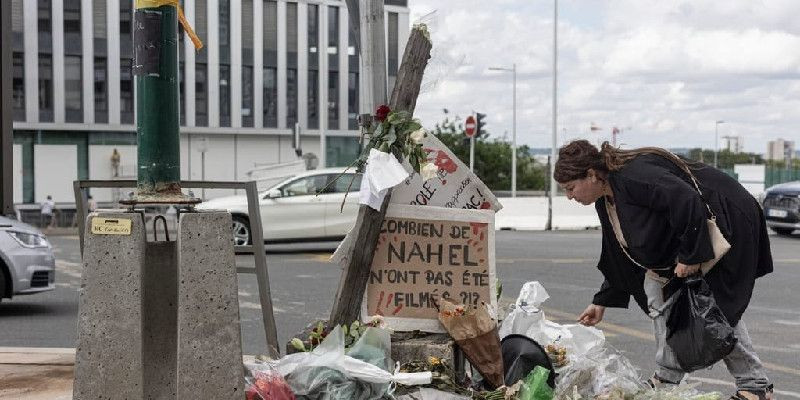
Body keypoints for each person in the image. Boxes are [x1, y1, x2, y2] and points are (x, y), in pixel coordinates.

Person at [554, 140, 774, 399]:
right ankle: (667, 377)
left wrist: (692, 254)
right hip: (693, 234)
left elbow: (685, 198)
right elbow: (620, 253)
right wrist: (601, 300)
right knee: (655, 286)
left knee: (713, 309)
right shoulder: (606, 200)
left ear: (591, 175)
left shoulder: (635, 177)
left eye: (571, 188)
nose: (570, 196)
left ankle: (756, 386)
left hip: (728, 219)